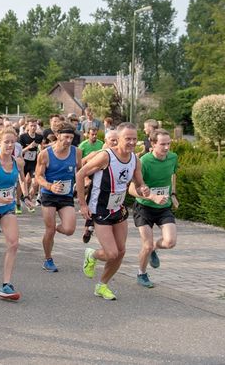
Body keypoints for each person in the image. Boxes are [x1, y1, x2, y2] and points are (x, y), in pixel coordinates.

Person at [76, 122, 150, 300]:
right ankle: (91, 254)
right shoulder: (106, 156)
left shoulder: (135, 160)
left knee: (121, 251)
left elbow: (139, 184)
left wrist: (144, 189)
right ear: (118, 139)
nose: (132, 142)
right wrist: (83, 205)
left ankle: (102, 285)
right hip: (100, 208)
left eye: (134, 138)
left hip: (118, 207)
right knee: (111, 253)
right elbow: (80, 174)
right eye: (128, 138)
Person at [0, 127, 34, 300]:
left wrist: (25, 198)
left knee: (13, 243)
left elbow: (22, 181)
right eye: (6, 142)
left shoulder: (18, 162)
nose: (10, 145)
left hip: (7, 208)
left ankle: (6, 285)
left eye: (13, 142)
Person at [129, 129, 179, 288]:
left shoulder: (173, 157)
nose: (166, 148)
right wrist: (152, 197)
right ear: (153, 144)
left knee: (170, 242)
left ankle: (154, 249)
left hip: (164, 207)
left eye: (168, 144)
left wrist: (173, 193)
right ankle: (142, 273)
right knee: (147, 244)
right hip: (144, 207)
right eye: (162, 144)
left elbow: (173, 175)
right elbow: (131, 189)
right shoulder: (144, 161)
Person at [35, 121, 81, 272]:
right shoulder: (45, 154)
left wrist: (83, 181)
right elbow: (38, 177)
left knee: (69, 229)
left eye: (71, 137)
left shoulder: (76, 152)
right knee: (50, 231)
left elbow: (80, 171)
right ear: (57, 136)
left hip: (66, 195)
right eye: (66, 137)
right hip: (49, 194)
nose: (69, 141)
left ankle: (52, 228)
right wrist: (50, 186)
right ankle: (48, 259)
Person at [81, 129, 119, 243]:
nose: (116, 143)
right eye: (113, 140)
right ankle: (88, 228)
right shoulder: (97, 154)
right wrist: (86, 178)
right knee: (93, 209)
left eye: (117, 140)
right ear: (106, 140)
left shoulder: (120, 155)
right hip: (97, 186)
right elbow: (82, 162)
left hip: (113, 190)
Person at [19, 118, 43, 213]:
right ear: (27, 126)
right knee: (21, 183)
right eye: (31, 125)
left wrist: (40, 150)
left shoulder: (39, 137)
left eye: (35, 125)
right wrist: (29, 147)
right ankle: (18, 201)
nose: (33, 127)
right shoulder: (23, 137)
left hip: (34, 163)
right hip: (24, 163)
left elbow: (42, 148)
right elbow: (20, 152)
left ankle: (29, 201)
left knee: (35, 183)